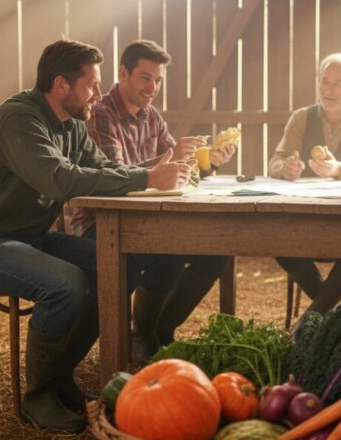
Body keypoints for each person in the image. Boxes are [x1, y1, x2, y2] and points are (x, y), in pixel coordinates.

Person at [0, 40, 191, 433]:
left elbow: (103, 167)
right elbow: (59, 179)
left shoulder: (72, 125)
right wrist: (146, 178)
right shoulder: (20, 118)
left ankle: (59, 377)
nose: (97, 93)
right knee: (66, 285)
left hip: (26, 237)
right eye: (91, 85)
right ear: (61, 85)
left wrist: (153, 171)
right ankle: (38, 395)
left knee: (114, 266)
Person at [70, 40, 236, 365]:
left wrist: (207, 161)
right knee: (167, 254)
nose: (153, 87)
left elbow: (177, 172)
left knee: (218, 250)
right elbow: (116, 177)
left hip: (150, 222)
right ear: (123, 73)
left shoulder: (152, 116)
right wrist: (171, 156)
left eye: (158, 80)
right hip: (102, 224)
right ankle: (145, 335)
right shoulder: (101, 115)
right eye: (145, 77)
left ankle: (158, 328)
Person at [268, 52, 341, 317]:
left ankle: (313, 317)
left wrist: (338, 169)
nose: (327, 89)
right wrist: (284, 169)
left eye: (337, 84)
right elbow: (277, 159)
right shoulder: (301, 117)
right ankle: (331, 315)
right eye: (324, 81)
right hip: (304, 217)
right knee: (278, 242)